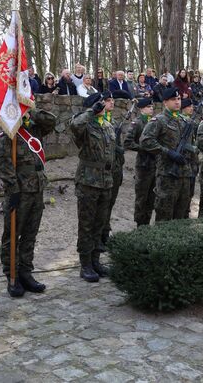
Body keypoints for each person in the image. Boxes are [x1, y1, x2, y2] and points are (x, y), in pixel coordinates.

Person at [0, 108, 57, 297]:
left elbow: (51, 120)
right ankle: (12, 275)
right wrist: (12, 189)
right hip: (19, 192)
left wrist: (31, 111)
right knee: (12, 235)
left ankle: (26, 272)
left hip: (36, 190)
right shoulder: (9, 132)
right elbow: (2, 164)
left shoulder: (35, 130)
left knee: (30, 234)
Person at [70, 93, 115, 282]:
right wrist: (91, 111)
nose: (105, 105)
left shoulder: (107, 125)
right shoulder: (85, 124)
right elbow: (75, 125)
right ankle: (85, 264)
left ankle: (96, 260)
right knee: (87, 224)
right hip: (89, 181)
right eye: (102, 102)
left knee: (101, 223)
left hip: (106, 181)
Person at [140, 87, 191, 221]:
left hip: (184, 175)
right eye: (173, 99)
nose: (177, 102)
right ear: (165, 103)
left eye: (179, 99)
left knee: (181, 216)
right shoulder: (159, 120)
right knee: (164, 215)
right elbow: (145, 141)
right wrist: (168, 152)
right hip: (167, 174)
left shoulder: (184, 121)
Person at [101, 90, 133, 251]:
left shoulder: (114, 121)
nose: (111, 103)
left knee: (110, 204)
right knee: (103, 205)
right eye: (108, 100)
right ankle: (100, 236)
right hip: (103, 171)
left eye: (112, 100)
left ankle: (105, 234)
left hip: (115, 169)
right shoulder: (98, 121)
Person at [124, 98, 157, 226]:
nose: (151, 108)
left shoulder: (154, 122)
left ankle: (146, 223)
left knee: (151, 197)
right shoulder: (137, 123)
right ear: (142, 109)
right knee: (141, 197)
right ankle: (139, 224)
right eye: (149, 107)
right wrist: (143, 148)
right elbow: (128, 142)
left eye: (152, 106)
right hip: (143, 165)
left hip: (155, 164)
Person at [180, 97, 199, 213]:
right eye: (189, 106)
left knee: (190, 190)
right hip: (183, 160)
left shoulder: (192, 122)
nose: (191, 108)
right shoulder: (180, 122)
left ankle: (186, 210)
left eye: (192, 106)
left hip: (192, 162)